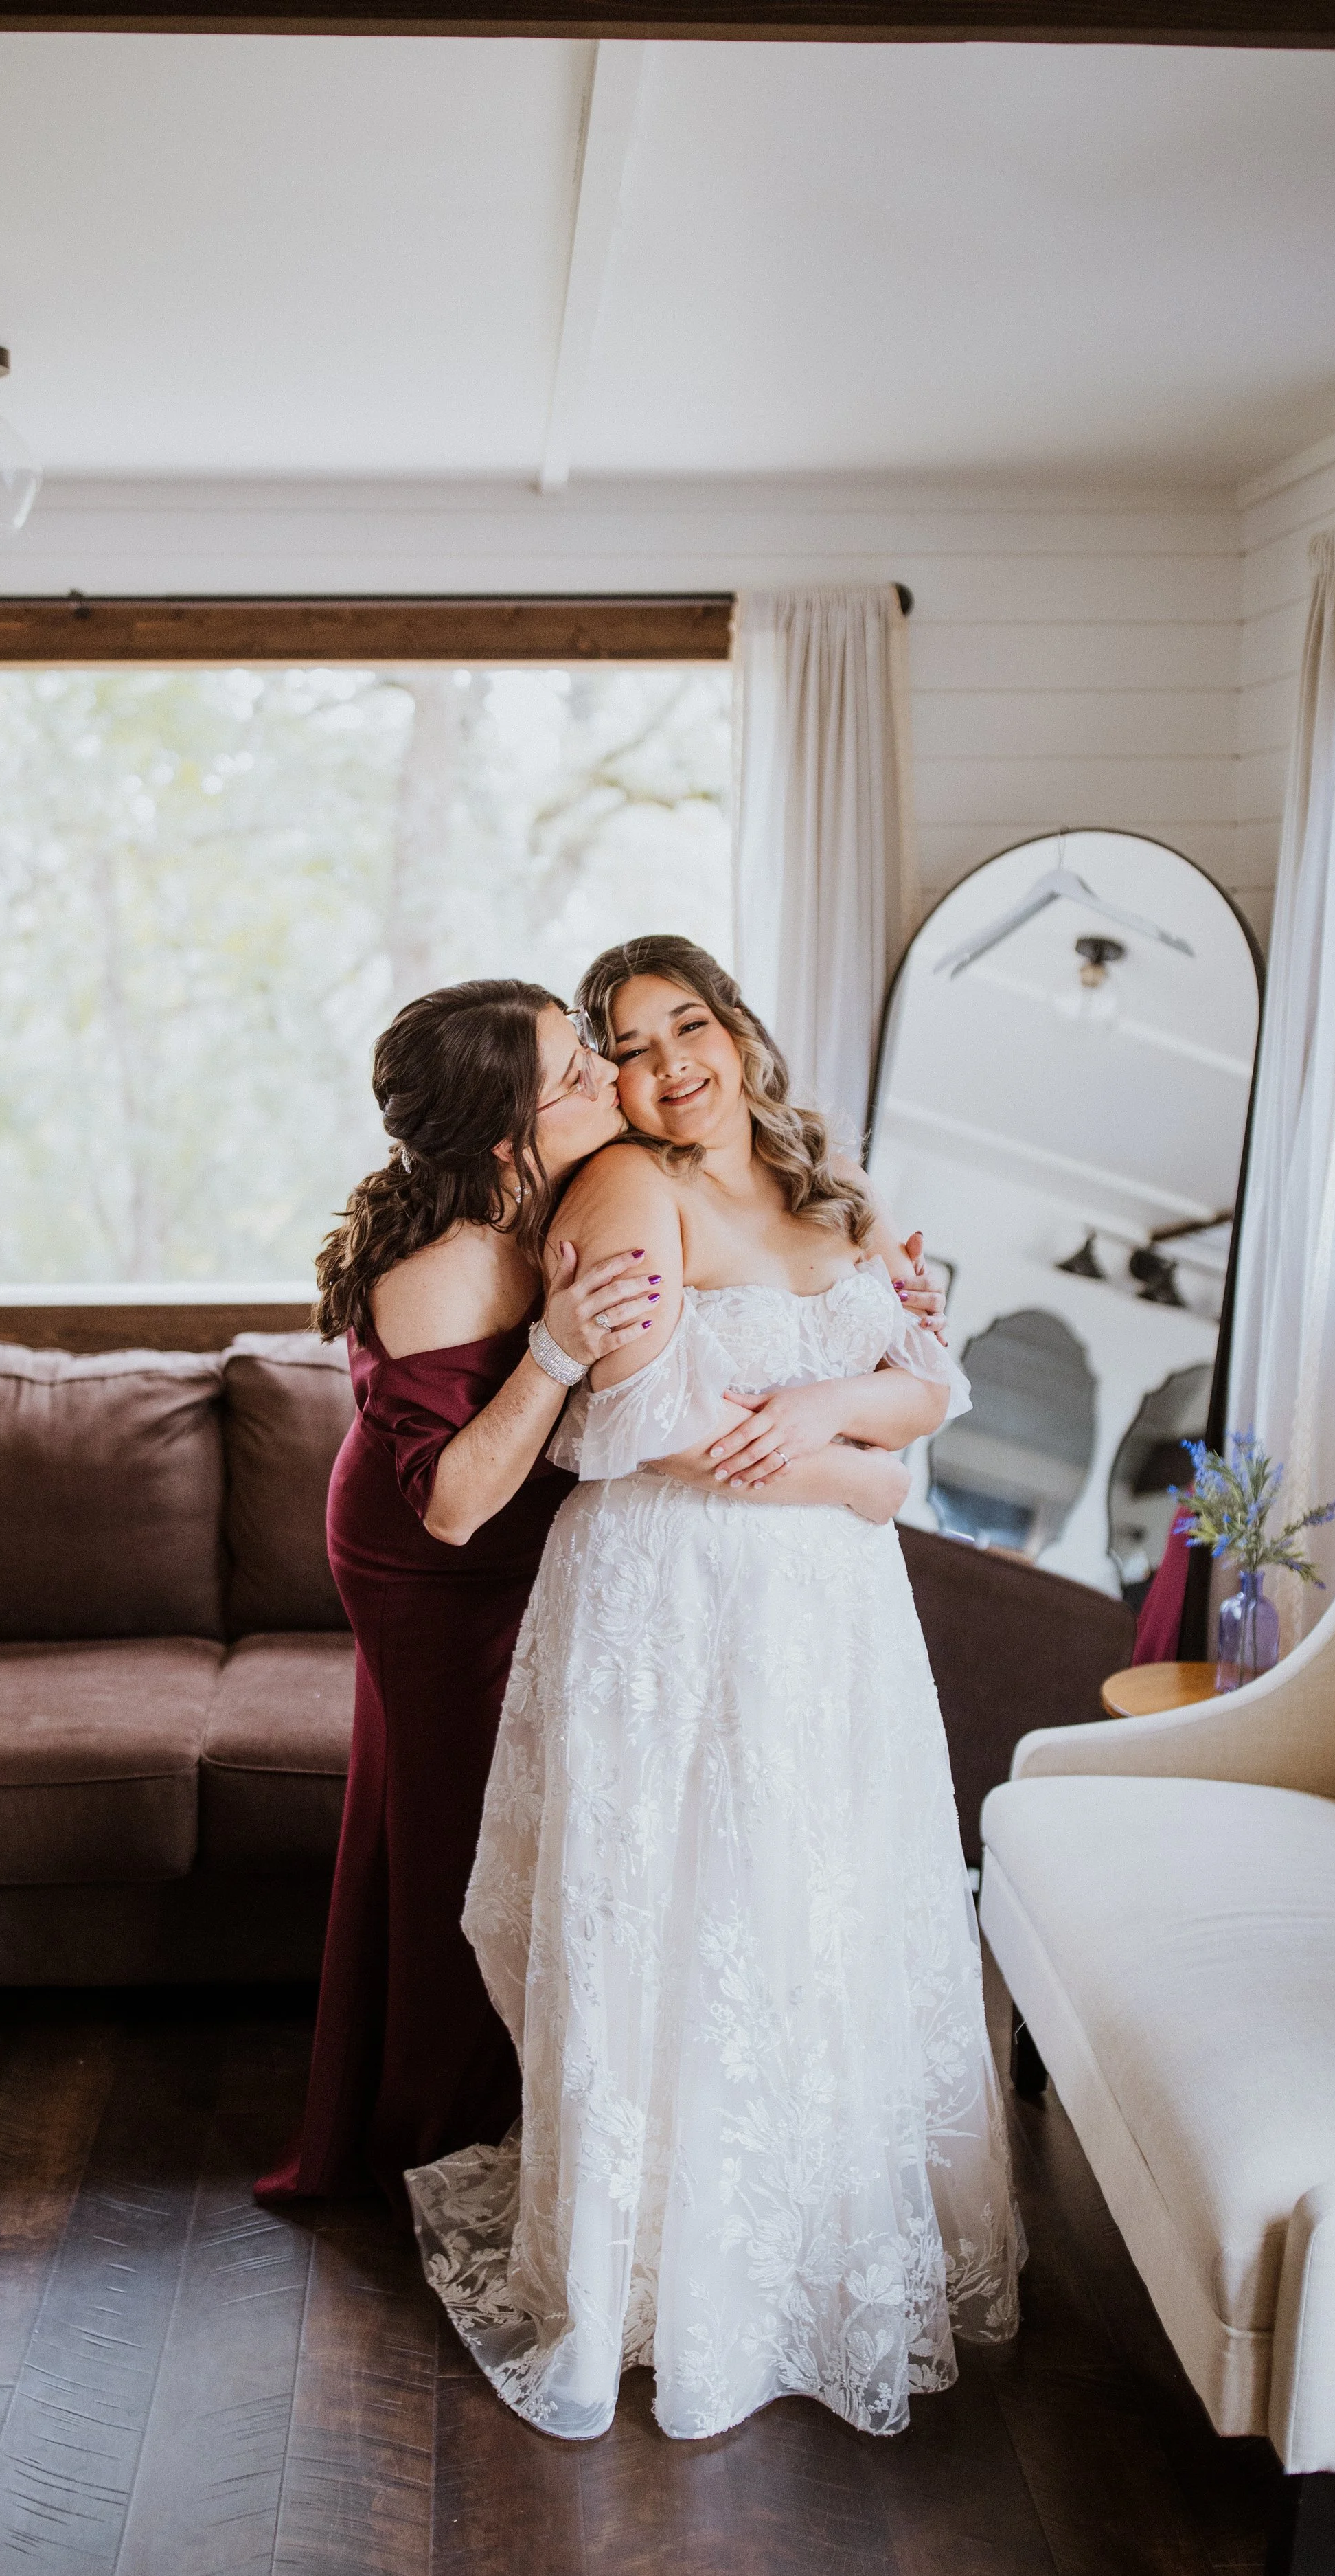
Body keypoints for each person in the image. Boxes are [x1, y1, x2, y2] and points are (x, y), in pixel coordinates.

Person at [407, 934, 1023, 2441]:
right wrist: (863, 1482)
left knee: (817, 1908)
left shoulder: (837, 1192)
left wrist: (839, 1409)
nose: (669, 1062)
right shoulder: (628, 1190)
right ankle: (672, 2275)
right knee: (696, 1913)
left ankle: (818, 2245)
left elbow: (935, 1375)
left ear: (737, 1031)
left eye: (688, 1023)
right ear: (603, 1078)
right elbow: (646, 1414)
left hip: (828, 1622)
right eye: (627, 1043)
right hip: (676, 1594)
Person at [254, 980, 651, 2216]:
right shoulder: (440, 1268)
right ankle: (440, 2135)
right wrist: (560, 1345)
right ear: (500, 1133)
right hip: (433, 1565)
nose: (601, 1073)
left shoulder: (573, 1171)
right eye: (569, 1069)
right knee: (458, 1839)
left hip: (516, 1548)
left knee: (518, 1816)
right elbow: (457, 1502)